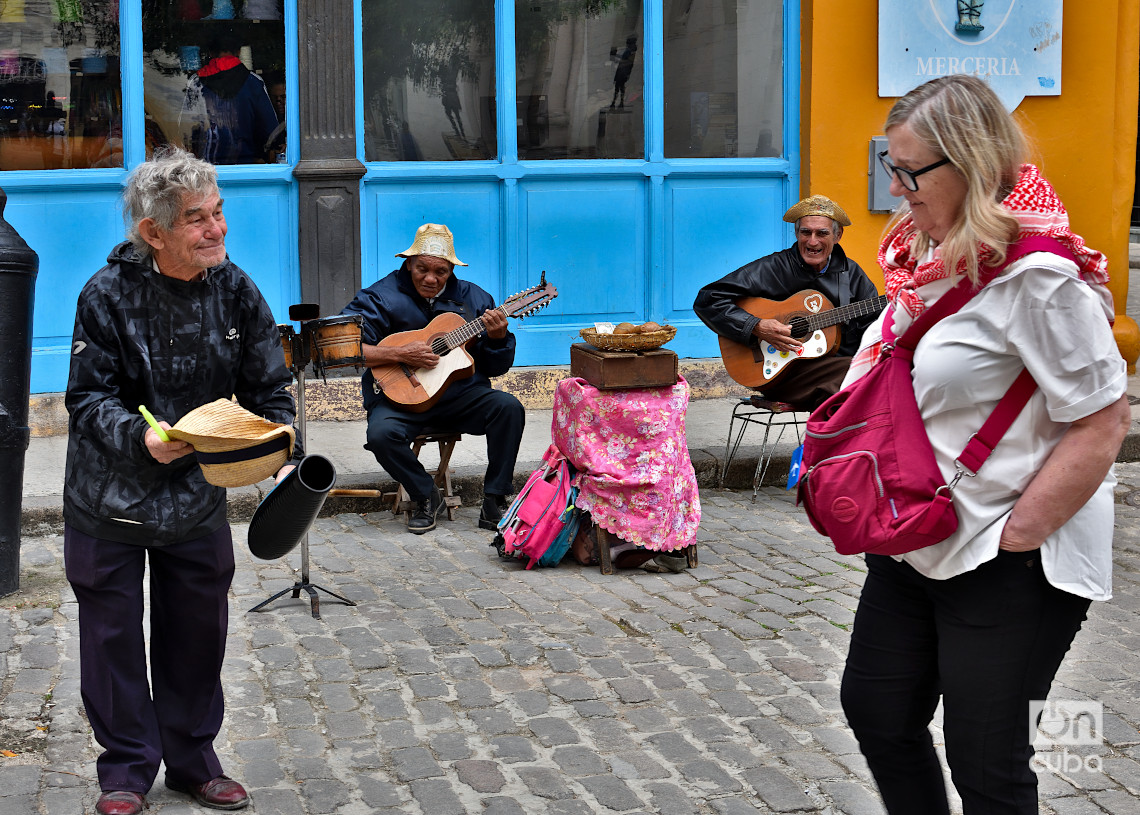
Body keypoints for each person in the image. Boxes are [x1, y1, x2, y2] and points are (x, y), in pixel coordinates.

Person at [839, 74, 1129, 814]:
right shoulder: (920, 263)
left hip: (1009, 557)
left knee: (987, 756)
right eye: (890, 167)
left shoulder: (1037, 277)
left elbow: (1103, 418)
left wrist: (1017, 536)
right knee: (877, 707)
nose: (897, 188)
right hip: (917, 534)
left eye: (910, 172)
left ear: (970, 163)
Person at [64, 147, 299, 815]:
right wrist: (139, 437)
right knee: (111, 639)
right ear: (154, 232)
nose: (217, 228)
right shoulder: (105, 295)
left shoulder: (237, 290)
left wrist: (280, 449)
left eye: (218, 212)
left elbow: (268, 389)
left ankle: (193, 760)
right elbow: (86, 399)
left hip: (195, 496)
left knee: (197, 633)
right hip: (107, 497)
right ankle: (126, 769)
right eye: (197, 219)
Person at [341, 223, 525, 534]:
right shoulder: (379, 297)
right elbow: (347, 349)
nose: (430, 278)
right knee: (381, 436)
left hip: (460, 396)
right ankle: (426, 494)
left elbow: (496, 368)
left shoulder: (475, 299)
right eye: (422, 268)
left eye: (440, 271)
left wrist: (498, 338)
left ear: (451, 269)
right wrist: (400, 355)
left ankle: (494, 500)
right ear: (408, 262)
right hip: (400, 399)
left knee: (509, 408)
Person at [693, 195, 880, 410]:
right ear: (796, 233)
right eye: (805, 232)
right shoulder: (774, 268)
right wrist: (756, 326)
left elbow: (875, 327)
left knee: (874, 370)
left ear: (838, 235)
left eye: (822, 233)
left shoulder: (851, 274)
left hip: (834, 366)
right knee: (854, 375)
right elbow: (708, 299)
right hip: (783, 374)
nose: (812, 241)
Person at [183, 32, 278, 164]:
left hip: (206, 165)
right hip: (246, 162)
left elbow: (187, 126)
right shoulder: (254, 82)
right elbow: (270, 130)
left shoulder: (196, 82)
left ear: (210, 53)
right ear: (239, 52)